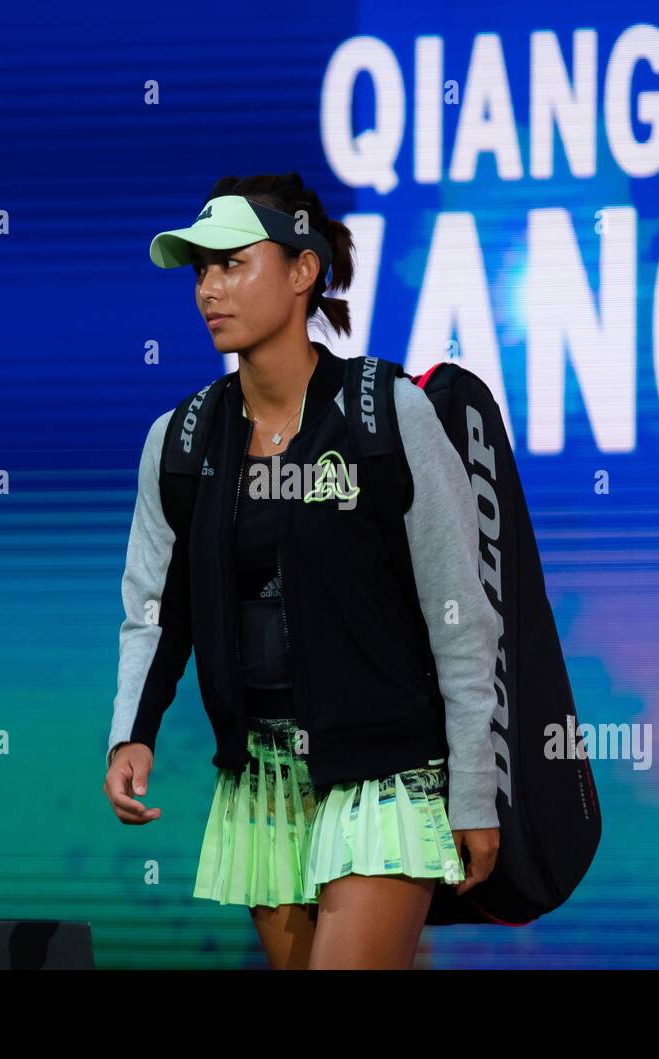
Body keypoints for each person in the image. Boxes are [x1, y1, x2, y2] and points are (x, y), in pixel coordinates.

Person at [103, 172, 500, 969]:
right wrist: (130, 734)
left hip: (384, 773)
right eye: (200, 271)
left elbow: (461, 612)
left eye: (232, 262)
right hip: (262, 781)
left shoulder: (389, 413)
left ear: (301, 271)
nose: (210, 288)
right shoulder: (178, 441)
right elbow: (154, 608)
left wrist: (475, 786)